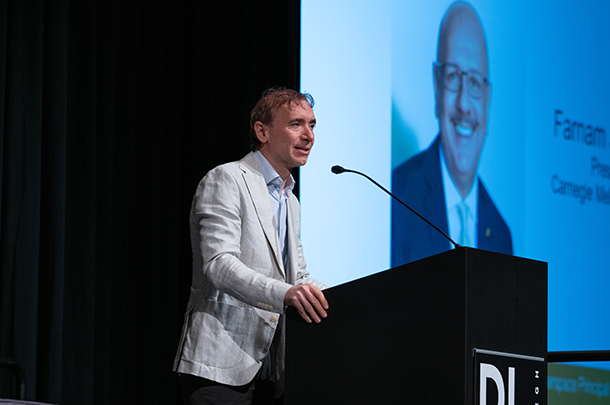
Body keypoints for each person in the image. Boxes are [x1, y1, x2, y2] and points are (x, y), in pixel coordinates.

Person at [173, 88, 329, 405]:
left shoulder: (291, 201)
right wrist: (285, 293)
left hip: (272, 374)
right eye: (296, 124)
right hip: (219, 368)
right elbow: (218, 264)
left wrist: (351, 296)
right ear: (263, 131)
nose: (309, 135)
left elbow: (298, 276)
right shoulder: (227, 179)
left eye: (312, 125)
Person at [391, 1, 512, 266]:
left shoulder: (501, 232)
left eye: (474, 83)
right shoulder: (396, 197)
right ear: (436, 86)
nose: (464, 104)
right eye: (454, 78)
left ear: (488, 100)